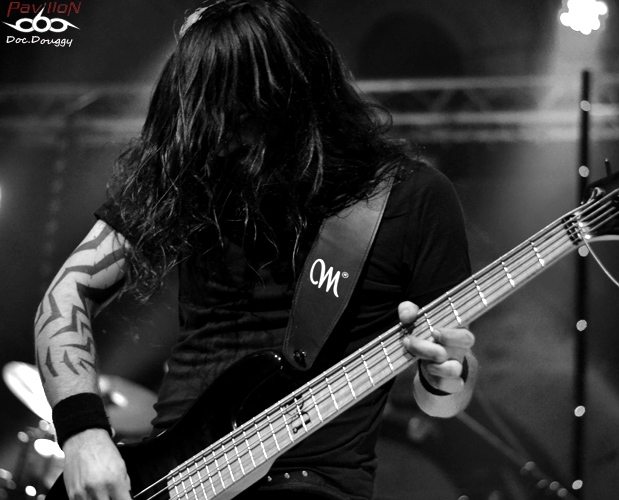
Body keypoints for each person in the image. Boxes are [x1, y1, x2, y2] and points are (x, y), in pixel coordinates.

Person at [33, 1, 477, 499]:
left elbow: (446, 396)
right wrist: (83, 434)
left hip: (314, 485)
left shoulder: (410, 197)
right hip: (172, 476)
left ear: (293, 95)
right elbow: (65, 294)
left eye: (239, 112)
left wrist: (443, 377)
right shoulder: (193, 172)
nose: (223, 135)